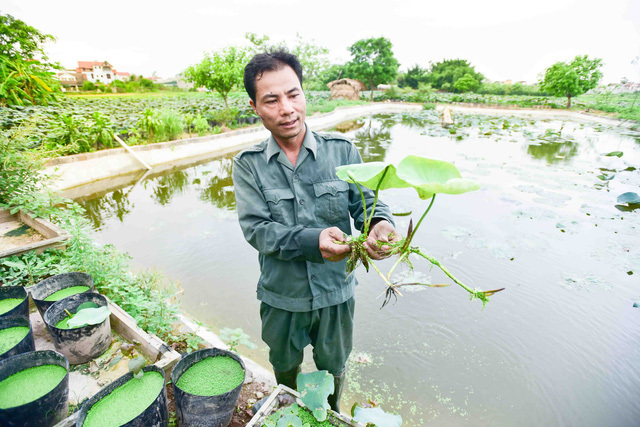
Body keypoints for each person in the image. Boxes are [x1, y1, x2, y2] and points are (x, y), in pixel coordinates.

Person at [232, 50, 398, 412]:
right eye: (272, 100)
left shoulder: (342, 152)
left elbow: (367, 207)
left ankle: (333, 413)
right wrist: (312, 240)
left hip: (335, 294)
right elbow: (257, 230)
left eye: (293, 94)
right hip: (281, 296)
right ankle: (288, 410)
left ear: (304, 95)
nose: (287, 108)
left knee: (334, 367)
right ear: (255, 106)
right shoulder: (248, 166)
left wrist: (380, 225)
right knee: (285, 367)